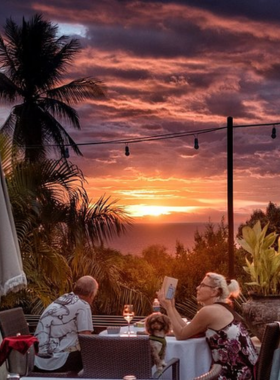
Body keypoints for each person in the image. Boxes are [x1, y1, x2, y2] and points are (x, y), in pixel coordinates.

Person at [157, 272, 258, 380]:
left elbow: (181, 335)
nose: (197, 288)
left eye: (202, 285)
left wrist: (168, 308)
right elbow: (186, 329)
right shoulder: (221, 308)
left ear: (214, 291)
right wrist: (171, 307)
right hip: (247, 371)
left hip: (234, 374)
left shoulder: (209, 311)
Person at [34, 275, 99, 373]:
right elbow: (86, 339)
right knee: (97, 354)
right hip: (58, 362)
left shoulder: (63, 299)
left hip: (38, 361)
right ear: (91, 294)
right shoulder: (83, 305)